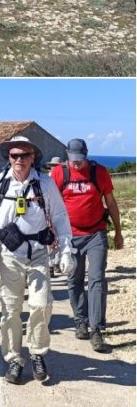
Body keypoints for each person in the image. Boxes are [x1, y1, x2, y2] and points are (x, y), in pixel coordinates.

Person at [0, 136, 72, 385]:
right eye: (14, 156)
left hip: (39, 252)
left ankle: (37, 353)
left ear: (32, 158)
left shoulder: (45, 184)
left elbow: (60, 217)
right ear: (8, 158)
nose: (18, 160)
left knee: (41, 305)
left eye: (24, 155)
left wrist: (66, 249)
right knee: (11, 310)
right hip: (10, 255)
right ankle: (14, 359)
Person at [50, 138, 123, 353]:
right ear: (67, 155)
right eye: (74, 160)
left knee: (97, 279)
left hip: (96, 232)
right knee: (74, 279)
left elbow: (110, 202)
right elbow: (51, 206)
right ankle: (80, 320)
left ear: (87, 155)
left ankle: (97, 329)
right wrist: (53, 234)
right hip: (69, 235)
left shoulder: (99, 172)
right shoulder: (59, 174)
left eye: (81, 160)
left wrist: (119, 232)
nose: (77, 164)